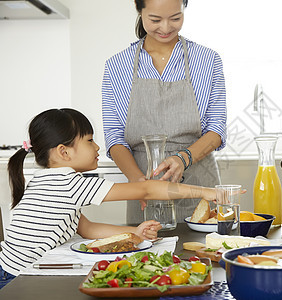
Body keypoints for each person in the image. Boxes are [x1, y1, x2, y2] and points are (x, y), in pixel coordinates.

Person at [0, 108, 217, 289]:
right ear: (64, 152)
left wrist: (135, 232)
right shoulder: (68, 184)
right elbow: (146, 190)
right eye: (89, 140)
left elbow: (86, 229)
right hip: (17, 280)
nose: (97, 147)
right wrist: (206, 192)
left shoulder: (47, 180)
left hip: (11, 272)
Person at [102, 0, 226, 224]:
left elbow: (216, 130)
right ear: (139, 10)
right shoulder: (117, 66)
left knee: (204, 255)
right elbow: (114, 136)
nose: (166, 27)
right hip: (144, 187)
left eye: (176, 18)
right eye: (155, 20)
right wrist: (138, 182)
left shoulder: (208, 60)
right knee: (146, 257)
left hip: (198, 184)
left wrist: (183, 159)